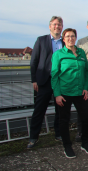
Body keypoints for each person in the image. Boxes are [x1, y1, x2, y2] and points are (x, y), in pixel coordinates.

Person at [51, 28, 88, 158]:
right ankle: (67, 146)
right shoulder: (58, 54)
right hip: (64, 93)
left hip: (81, 92)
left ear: (76, 38)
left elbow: (86, 71)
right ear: (63, 39)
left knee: (87, 118)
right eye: (67, 36)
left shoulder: (80, 52)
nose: (70, 38)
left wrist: (86, 88)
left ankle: (85, 142)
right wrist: (57, 94)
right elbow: (54, 75)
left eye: (73, 36)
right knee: (64, 120)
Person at [27, 16, 63, 149]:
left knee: (60, 109)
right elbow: (34, 61)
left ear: (62, 27)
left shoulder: (65, 42)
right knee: (39, 110)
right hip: (44, 81)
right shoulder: (41, 40)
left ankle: (58, 134)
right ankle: (33, 137)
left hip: (60, 81)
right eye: (54, 24)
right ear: (50, 26)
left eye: (59, 24)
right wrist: (34, 79)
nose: (57, 27)